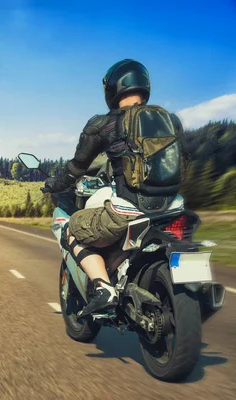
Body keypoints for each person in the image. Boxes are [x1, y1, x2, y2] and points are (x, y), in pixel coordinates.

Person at [43, 59, 187, 317]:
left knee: (72, 229)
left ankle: (103, 287)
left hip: (130, 210)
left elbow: (75, 169)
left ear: (111, 89)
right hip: (173, 206)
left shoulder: (104, 124)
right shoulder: (170, 120)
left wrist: (52, 184)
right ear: (144, 87)